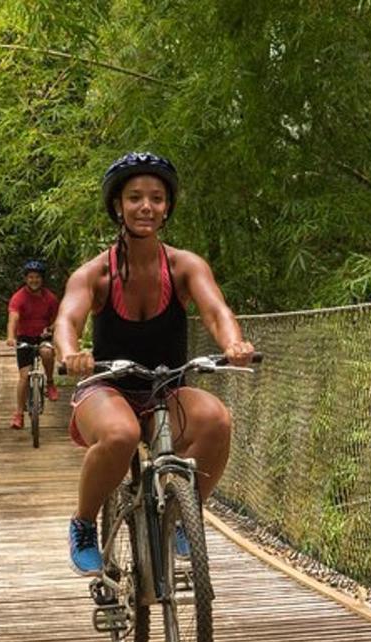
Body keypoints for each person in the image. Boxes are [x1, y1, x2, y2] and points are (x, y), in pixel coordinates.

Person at [53, 152, 255, 575]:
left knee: (216, 420)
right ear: (117, 206)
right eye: (135, 198)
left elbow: (217, 311)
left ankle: (183, 514)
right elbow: (68, 319)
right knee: (120, 434)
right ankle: (84, 523)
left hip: (166, 387)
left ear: (167, 209)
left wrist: (234, 343)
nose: (146, 206)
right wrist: (71, 353)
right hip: (107, 387)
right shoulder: (95, 273)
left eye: (157, 199)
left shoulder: (184, 266)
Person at [5, 259, 60, 430]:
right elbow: (13, 319)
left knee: (47, 352)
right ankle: (19, 414)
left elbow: (58, 319)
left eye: (37, 277)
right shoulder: (18, 298)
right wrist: (11, 337)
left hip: (43, 336)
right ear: (25, 279)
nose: (33, 280)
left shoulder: (50, 298)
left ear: (42, 279)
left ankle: (50, 383)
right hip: (25, 338)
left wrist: (50, 329)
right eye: (30, 277)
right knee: (24, 376)